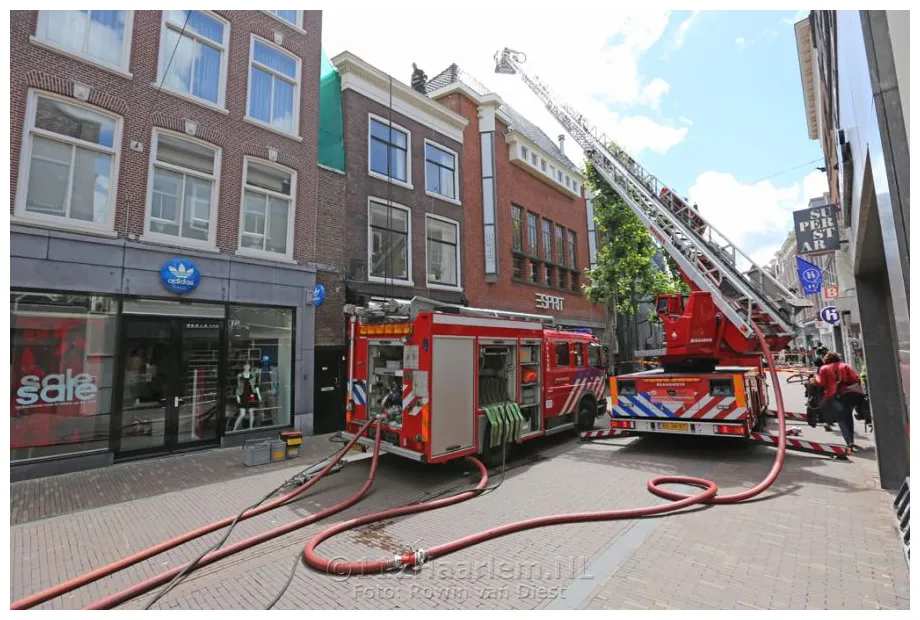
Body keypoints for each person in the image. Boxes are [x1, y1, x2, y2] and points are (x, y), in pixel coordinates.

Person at [812, 351, 861, 455]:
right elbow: (855, 379)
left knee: (841, 418)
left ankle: (849, 441)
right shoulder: (846, 366)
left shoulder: (824, 368)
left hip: (834, 395)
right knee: (848, 416)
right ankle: (851, 439)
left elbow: (821, 383)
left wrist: (814, 379)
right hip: (850, 394)